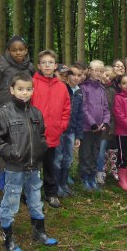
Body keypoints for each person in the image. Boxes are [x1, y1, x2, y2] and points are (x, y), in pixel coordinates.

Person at [0, 73, 57, 250]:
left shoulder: (36, 113)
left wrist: (41, 148)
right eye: (20, 89)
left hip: (34, 166)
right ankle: (8, 238)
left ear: (32, 91)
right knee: (11, 201)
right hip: (14, 167)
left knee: (35, 198)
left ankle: (39, 231)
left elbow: (41, 134)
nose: (24, 93)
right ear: (12, 90)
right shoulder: (4, 113)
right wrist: (10, 152)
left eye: (28, 89)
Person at [0, 35, 35, 188]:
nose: (18, 53)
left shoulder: (30, 68)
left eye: (21, 50)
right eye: (14, 50)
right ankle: (4, 187)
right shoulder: (1, 66)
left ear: (26, 50)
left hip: (24, 114)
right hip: (3, 115)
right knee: (6, 152)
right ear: (8, 51)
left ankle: (23, 188)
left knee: (24, 149)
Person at [31, 50, 71, 208]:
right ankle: (30, 194)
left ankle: (51, 193)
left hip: (53, 133)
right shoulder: (32, 83)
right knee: (32, 166)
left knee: (50, 165)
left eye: (50, 62)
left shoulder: (61, 87)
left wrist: (62, 125)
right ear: (39, 65)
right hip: (34, 134)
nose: (47, 65)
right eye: (44, 62)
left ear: (55, 65)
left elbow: (66, 108)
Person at [53, 63, 84, 197]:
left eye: (79, 75)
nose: (76, 78)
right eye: (73, 75)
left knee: (68, 158)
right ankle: (55, 185)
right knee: (57, 158)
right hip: (59, 130)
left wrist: (78, 135)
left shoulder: (79, 92)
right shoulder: (61, 88)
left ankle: (64, 183)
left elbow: (79, 115)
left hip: (71, 131)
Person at [80, 59, 110, 191]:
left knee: (95, 152)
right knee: (86, 153)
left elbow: (106, 108)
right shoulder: (84, 87)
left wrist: (105, 122)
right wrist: (92, 123)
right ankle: (85, 178)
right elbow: (83, 108)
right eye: (96, 70)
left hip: (100, 128)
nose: (98, 73)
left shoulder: (102, 89)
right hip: (87, 128)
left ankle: (92, 178)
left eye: (101, 71)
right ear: (90, 71)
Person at [96, 66, 118, 184]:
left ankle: (100, 172)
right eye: (104, 73)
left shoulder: (112, 91)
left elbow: (113, 110)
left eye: (109, 76)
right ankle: (90, 171)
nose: (105, 76)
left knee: (102, 150)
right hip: (93, 124)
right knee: (92, 149)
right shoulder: (94, 87)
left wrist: (112, 126)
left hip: (106, 126)